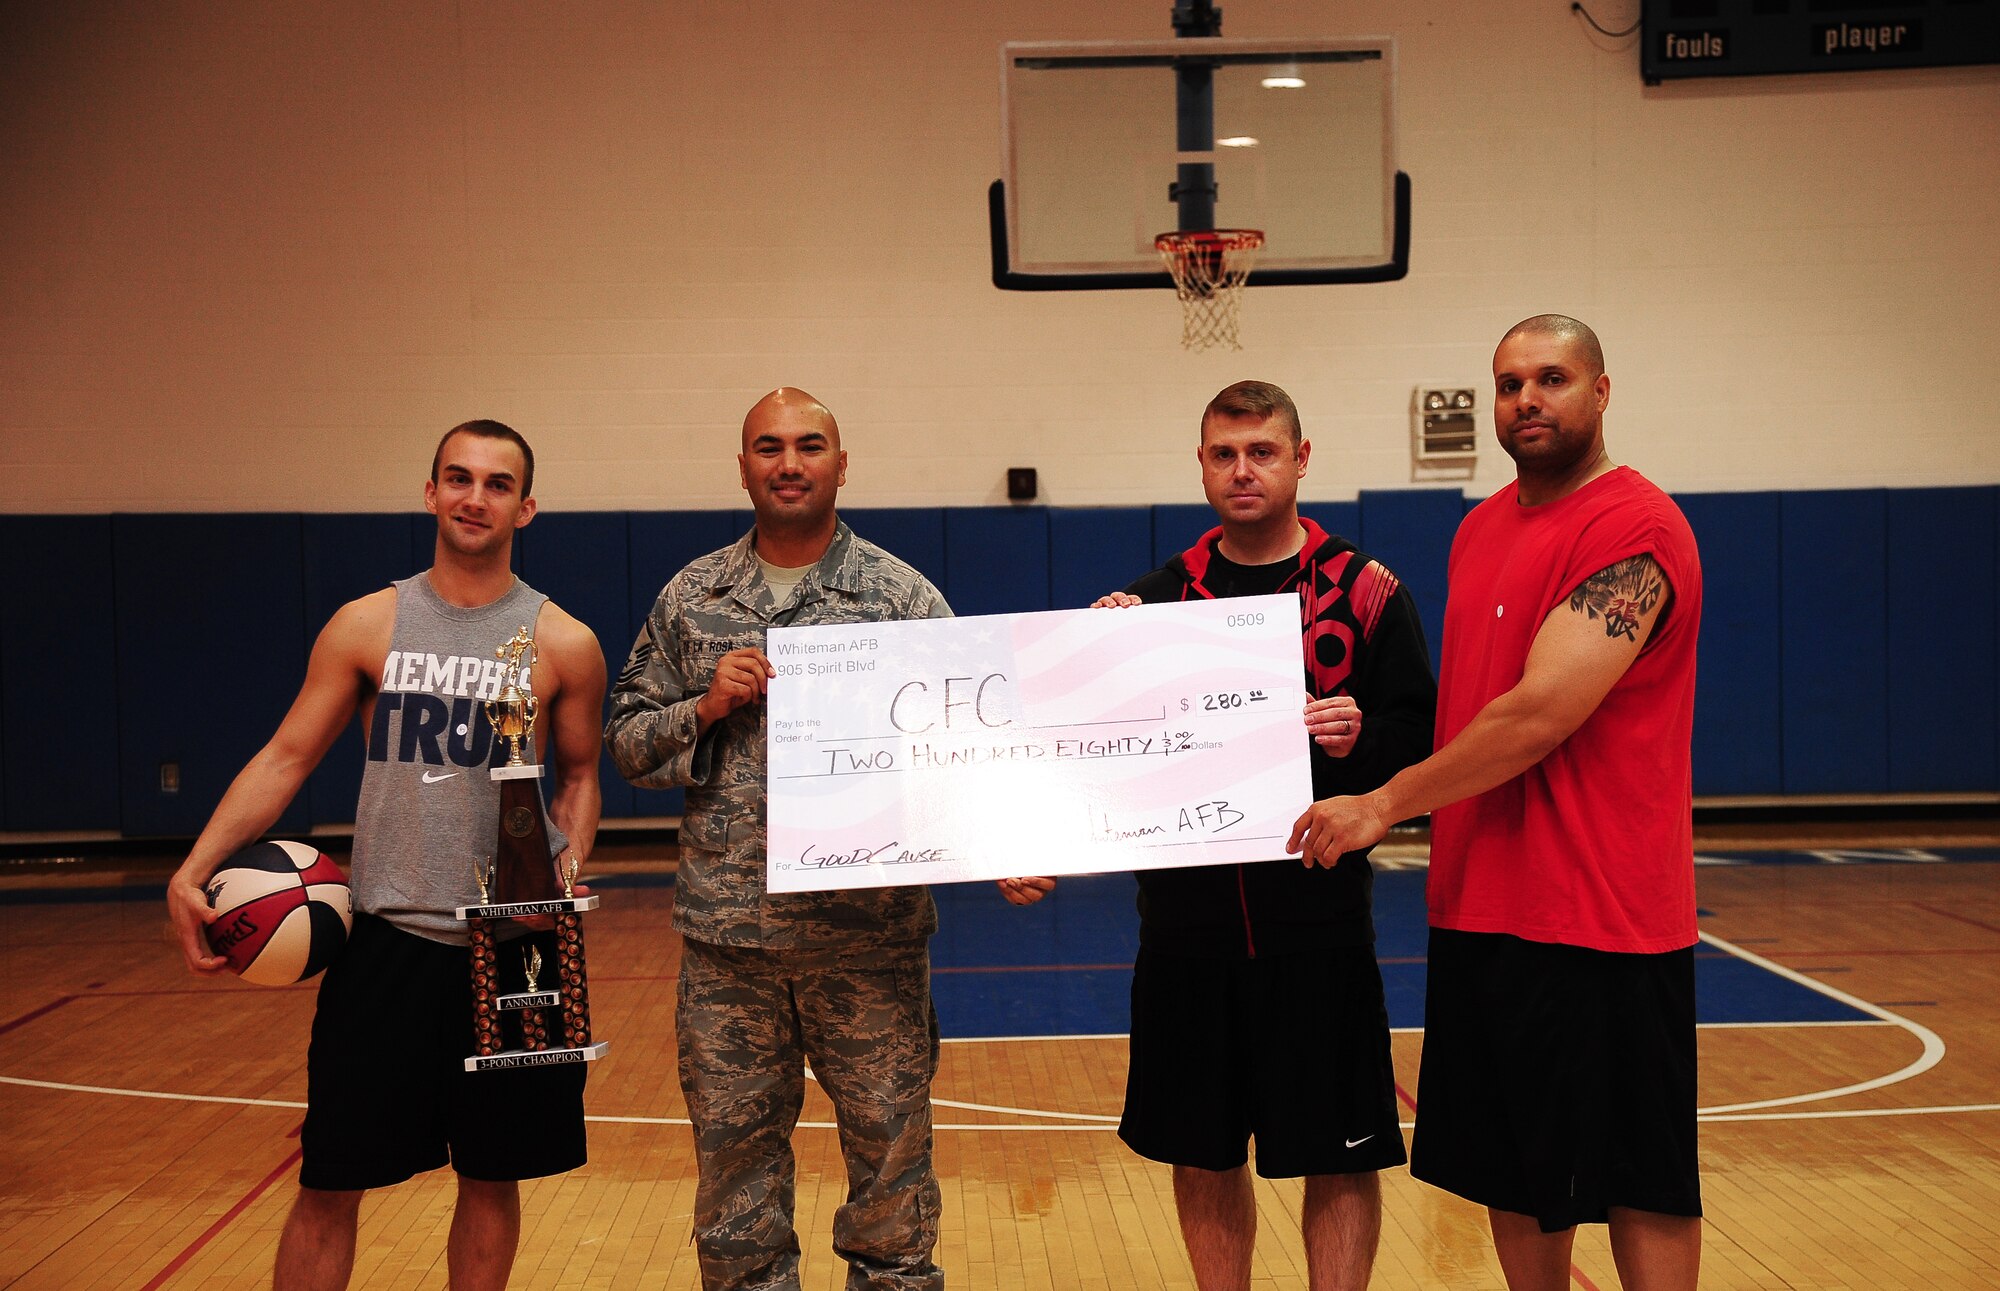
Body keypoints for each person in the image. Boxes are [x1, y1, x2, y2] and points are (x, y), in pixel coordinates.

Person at [1289, 316, 1705, 1290]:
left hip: (1602, 915)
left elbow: (1535, 715)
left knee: (1640, 1175)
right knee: (1513, 1171)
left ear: (1599, 392)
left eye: (1550, 379)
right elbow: (1470, 708)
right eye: (1507, 383)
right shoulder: (1479, 527)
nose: (1526, 400)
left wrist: (1380, 801)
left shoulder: (1632, 529)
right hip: (1481, 901)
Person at [1002, 380, 1437, 1291]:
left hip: (1318, 933)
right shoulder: (1151, 604)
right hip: (1184, 935)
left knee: (1342, 1155)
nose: (1244, 470)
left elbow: (1425, 744)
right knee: (1201, 1153)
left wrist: (1366, 737)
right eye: (1225, 454)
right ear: (1201, 464)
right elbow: (1094, 758)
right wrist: (1032, 830)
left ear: (1301, 458)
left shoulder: (1366, 592)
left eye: (1263, 451)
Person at [165, 420, 606, 1291]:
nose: (476, 496)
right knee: (330, 1177)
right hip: (385, 940)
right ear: (432, 491)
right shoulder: (369, 623)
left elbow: (582, 776)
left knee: (493, 1172)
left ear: (527, 505)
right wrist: (194, 865)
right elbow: (287, 755)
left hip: (516, 947)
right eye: (459, 477)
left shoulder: (566, 643)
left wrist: (563, 866)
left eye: (497, 482)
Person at [605, 388, 949, 1291]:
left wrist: (1007, 851)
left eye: (809, 445)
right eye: (769, 446)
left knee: (893, 1188)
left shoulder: (903, 597)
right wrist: (704, 707)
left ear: (842, 463)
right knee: (736, 1196)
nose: (788, 462)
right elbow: (628, 747)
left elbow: (962, 752)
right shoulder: (693, 596)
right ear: (745, 464)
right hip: (731, 948)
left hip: (867, 942)